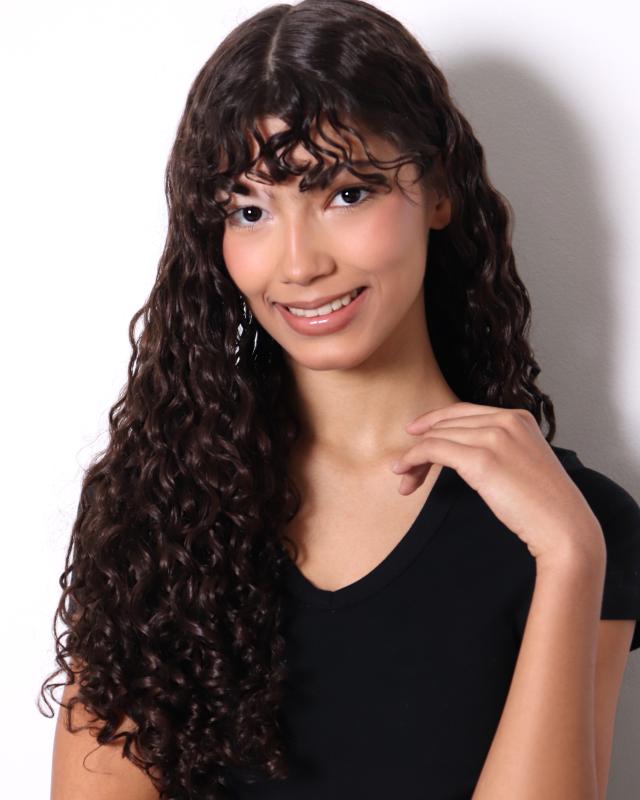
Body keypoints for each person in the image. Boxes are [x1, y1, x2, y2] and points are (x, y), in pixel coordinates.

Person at [42, 1, 640, 798]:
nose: (298, 264)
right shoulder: (156, 507)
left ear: (439, 190)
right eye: (250, 211)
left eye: (347, 194)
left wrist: (569, 555)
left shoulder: (578, 525)